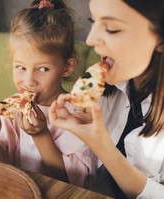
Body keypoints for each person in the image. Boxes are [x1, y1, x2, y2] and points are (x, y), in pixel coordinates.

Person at [49, 0, 164, 198]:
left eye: (111, 28)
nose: (90, 40)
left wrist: (102, 147)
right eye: (93, 21)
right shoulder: (103, 91)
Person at [0, 0, 97, 188]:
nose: (29, 80)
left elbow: (72, 181)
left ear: (67, 67)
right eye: (21, 67)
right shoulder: (10, 110)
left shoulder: (79, 115)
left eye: (43, 69)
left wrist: (41, 135)